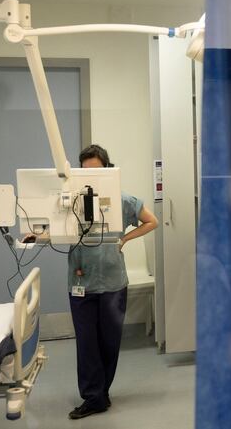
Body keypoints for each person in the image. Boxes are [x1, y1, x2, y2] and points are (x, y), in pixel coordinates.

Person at [66, 144, 158, 419]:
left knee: (108, 342)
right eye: (85, 172)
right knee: (86, 343)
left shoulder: (123, 199)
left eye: (96, 170)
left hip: (113, 283)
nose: (91, 177)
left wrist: (125, 238)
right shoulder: (70, 201)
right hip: (80, 282)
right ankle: (93, 396)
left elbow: (151, 221)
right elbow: (54, 229)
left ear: (108, 169)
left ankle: (101, 392)